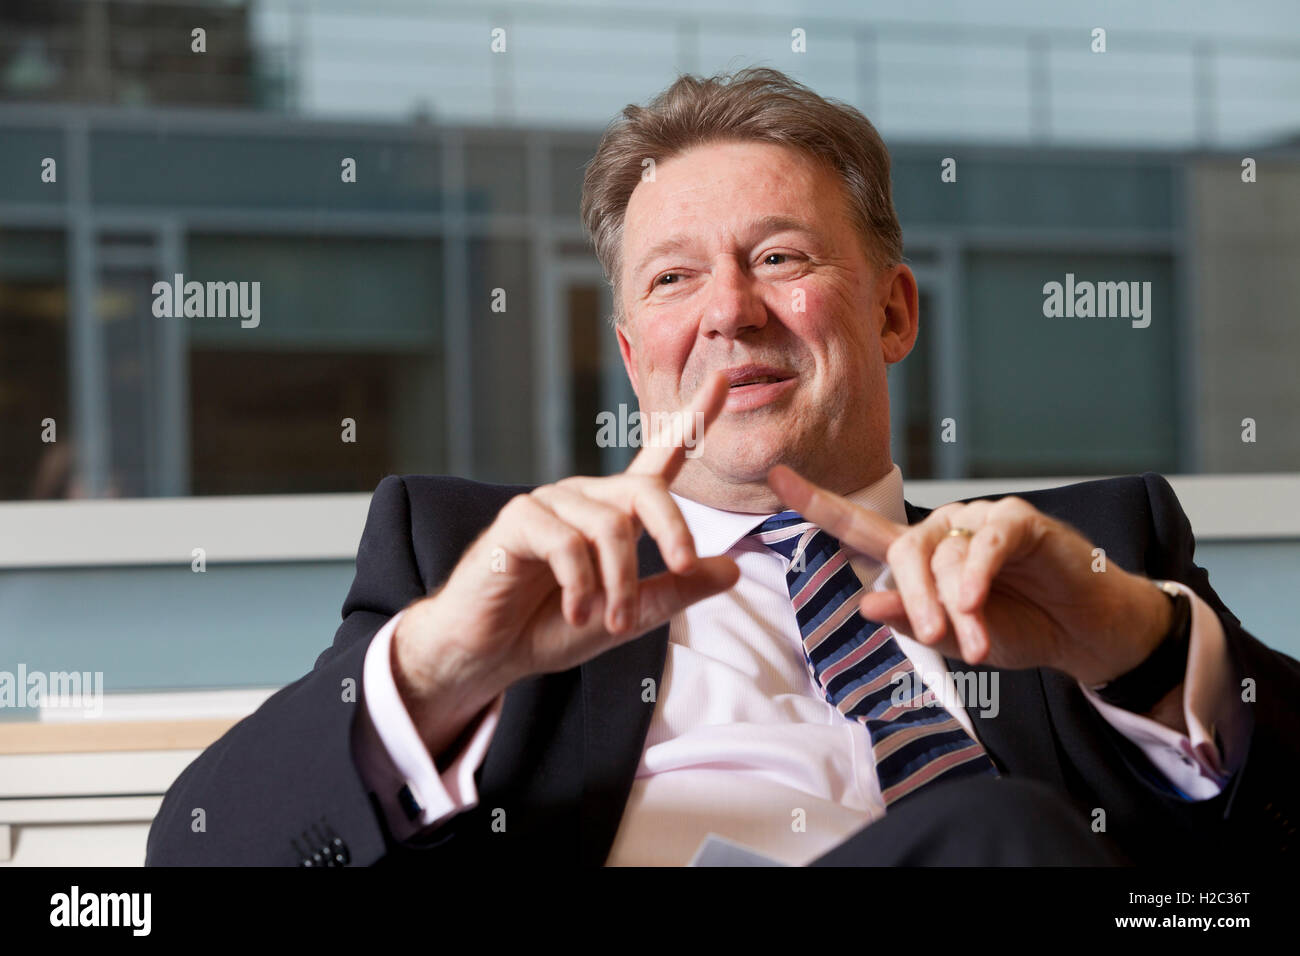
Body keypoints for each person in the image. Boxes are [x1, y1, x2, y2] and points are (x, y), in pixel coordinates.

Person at [146, 67, 1298, 867]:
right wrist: (445, 665)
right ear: (632, 353)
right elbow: (199, 850)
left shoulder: (1094, 558)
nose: (731, 313)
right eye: (672, 279)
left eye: (781, 257)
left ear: (893, 310)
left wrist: (1139, 645)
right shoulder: (463, 558)